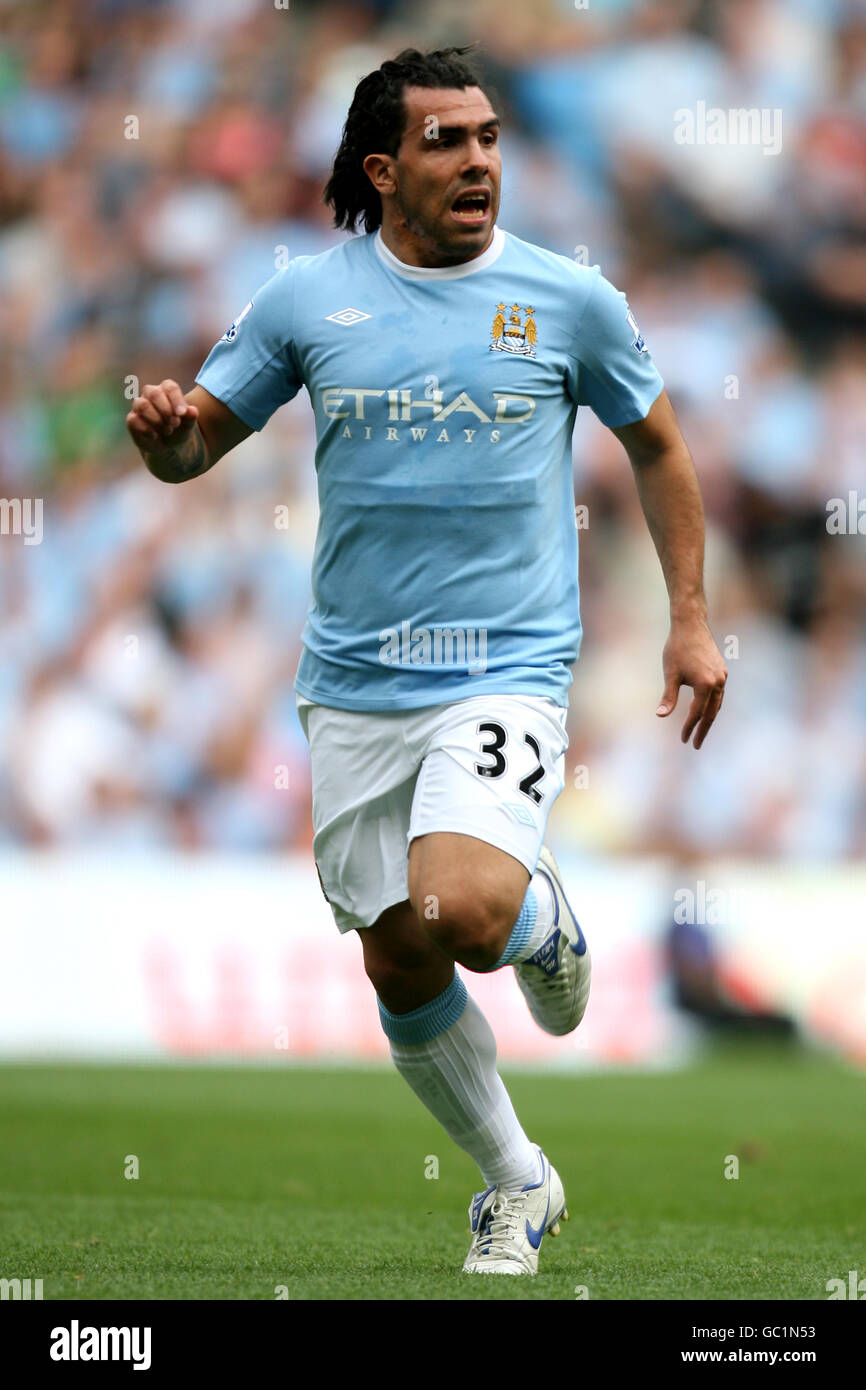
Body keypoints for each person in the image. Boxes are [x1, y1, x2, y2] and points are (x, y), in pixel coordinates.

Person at [126, 46, 727, 1276]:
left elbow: (657, 446)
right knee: (399, 952)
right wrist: (166, 438)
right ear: (381, 169)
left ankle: (534, 910)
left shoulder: (570, 300)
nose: (478, 163)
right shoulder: (304, 303)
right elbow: (198, 449)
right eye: (447, 142)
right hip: (352, 685)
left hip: (503, 665)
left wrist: (688, 614)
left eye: (490, 138)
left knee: (466, 907)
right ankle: (517, 1179)